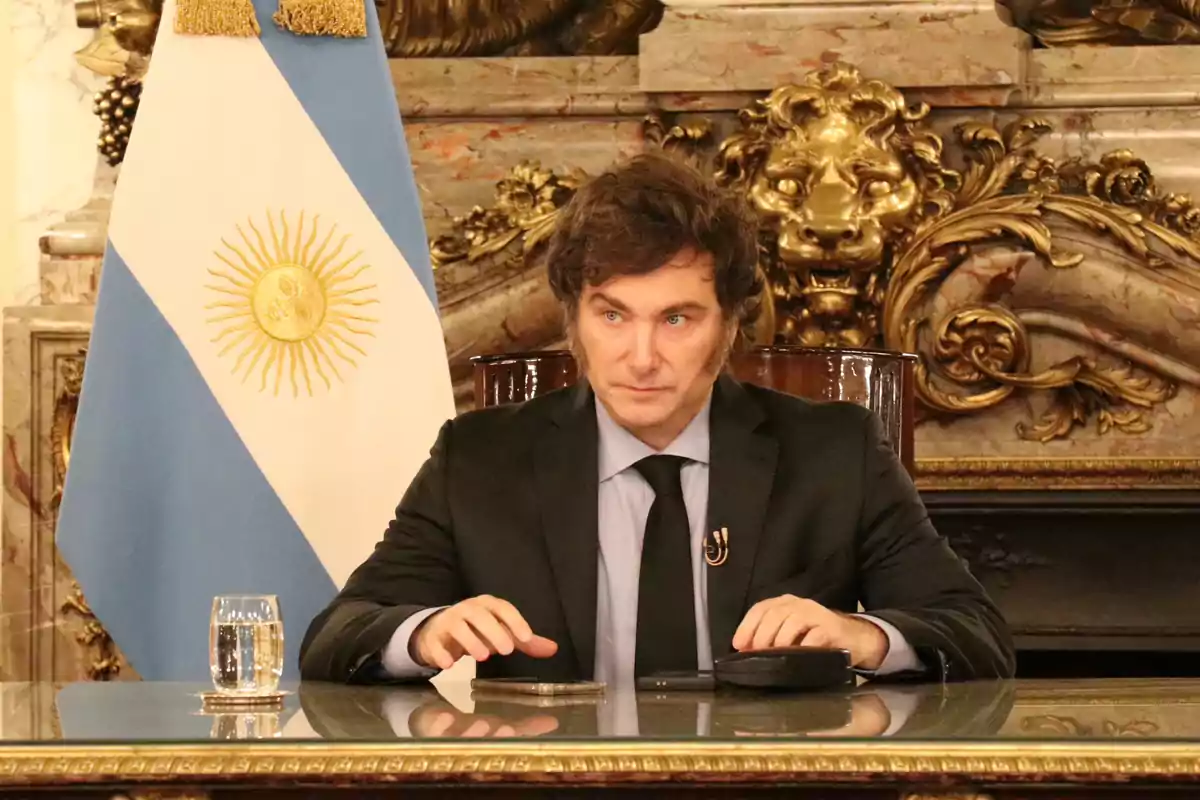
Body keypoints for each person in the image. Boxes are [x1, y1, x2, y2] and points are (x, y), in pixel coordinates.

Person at [299, 151, 1015, 687]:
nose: (641, 356)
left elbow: (978, 636)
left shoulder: (833, 451)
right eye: (613, 315)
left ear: (729, 325)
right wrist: (426, 633)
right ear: (574, 321)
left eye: (677, 318)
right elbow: (337, 635)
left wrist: (859, 635)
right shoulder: (481, 459)